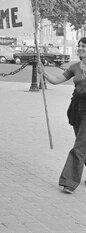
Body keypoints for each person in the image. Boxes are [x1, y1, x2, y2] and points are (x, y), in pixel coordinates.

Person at [39, 37, 86, 194]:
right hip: (76, 108)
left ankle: (69, 182)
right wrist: (44, 73)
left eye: (84, 46)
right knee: (83, 145)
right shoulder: (75, 67)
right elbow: (57, 80)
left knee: (79, 147)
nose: (80, 48)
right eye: (79, 45)